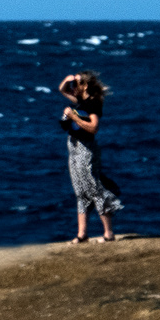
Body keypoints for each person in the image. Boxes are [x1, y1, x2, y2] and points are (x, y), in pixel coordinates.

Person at [58, 71, 123, 243]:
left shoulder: (92, 104)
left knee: (94, 189)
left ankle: (108, 233)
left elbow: (94, 127)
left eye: (76, 84)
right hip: (74, 147)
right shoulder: (82, 101)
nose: (73, 87)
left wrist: (73, 117)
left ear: (84, 86)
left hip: (85, 149)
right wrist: (68, 79)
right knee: (81, 191)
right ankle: (82, 234)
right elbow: (62, 90)